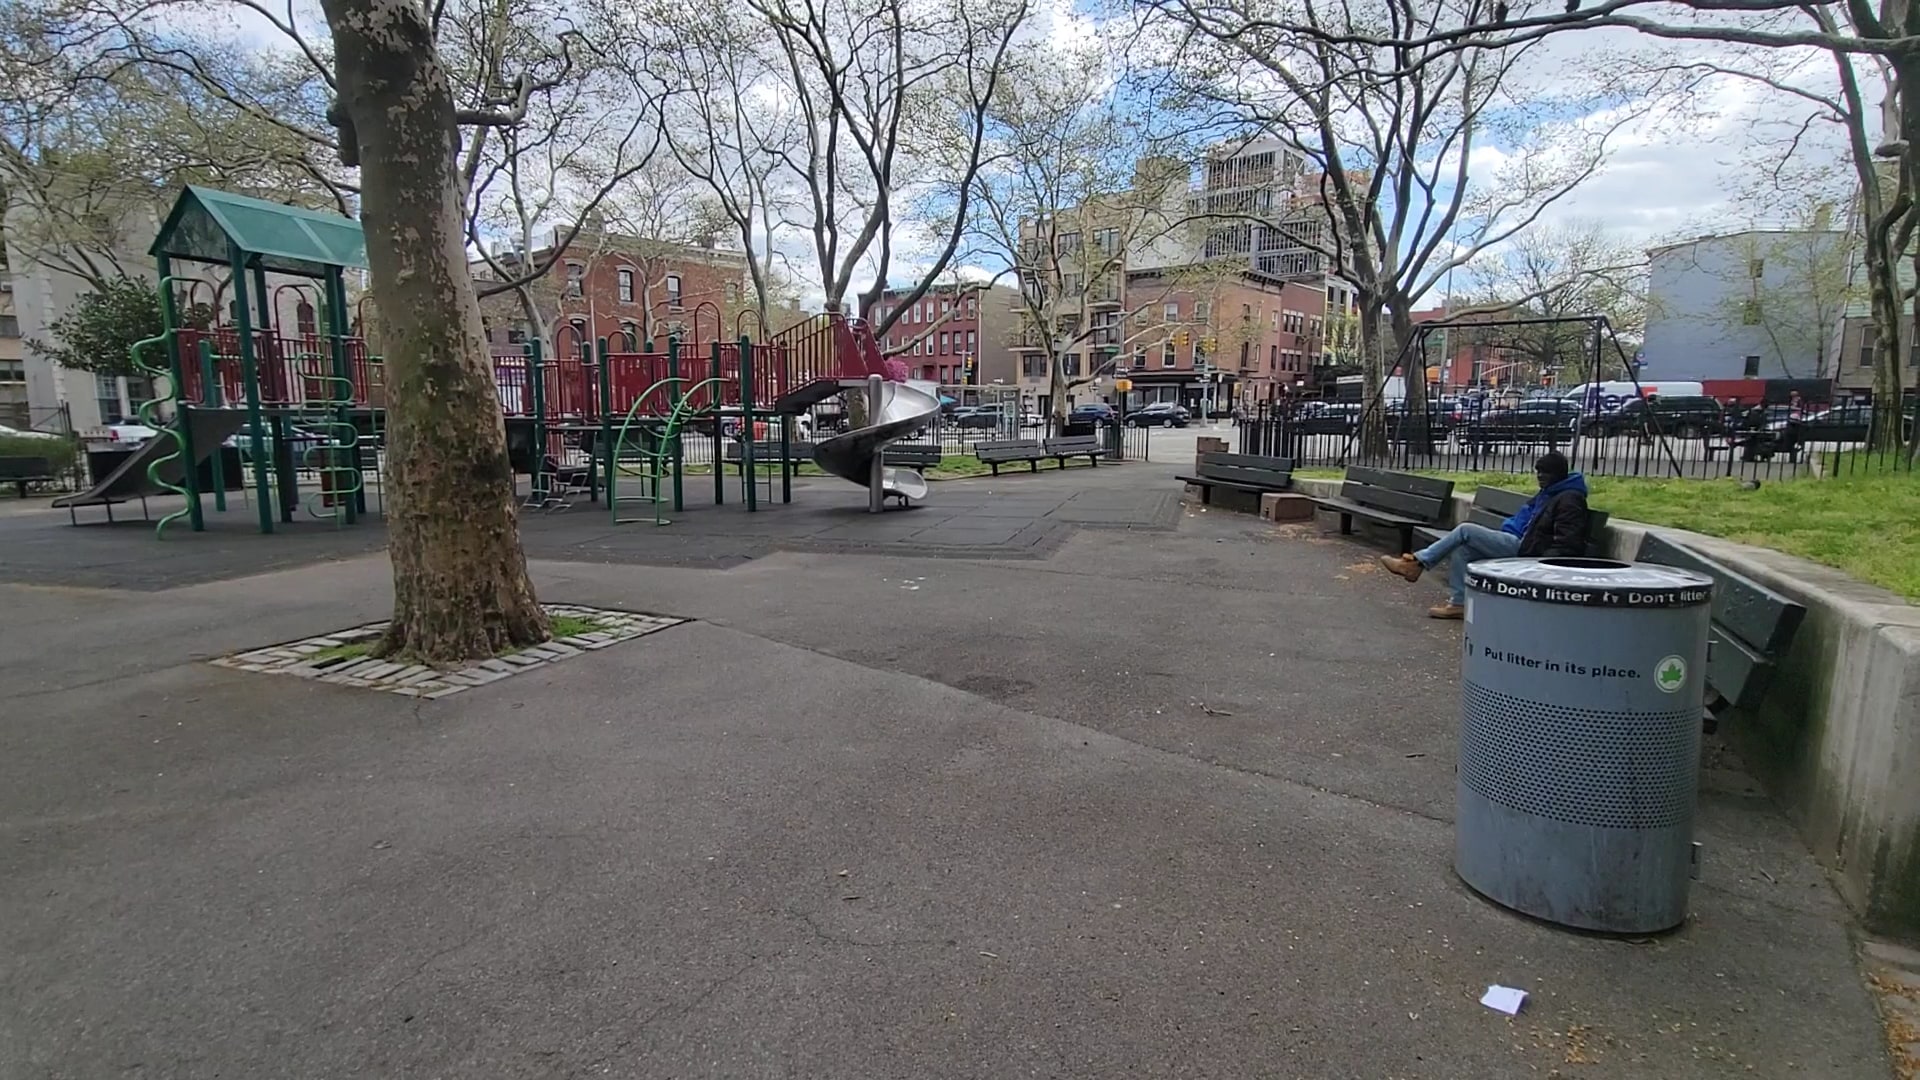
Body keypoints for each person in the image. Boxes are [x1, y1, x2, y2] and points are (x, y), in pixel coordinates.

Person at [1378, 451, 1591, 619]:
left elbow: (1568, 542)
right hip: (1518, 542)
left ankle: (1417, 563)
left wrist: (1541, 564)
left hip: (1528, 552)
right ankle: (1459, 604)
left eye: (1545, 473)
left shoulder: (1569, 499)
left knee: (1465, 530)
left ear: (1558, 475)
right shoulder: (1549, 492)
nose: (1540, 477)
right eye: (1538, 472)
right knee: (1464, 548)